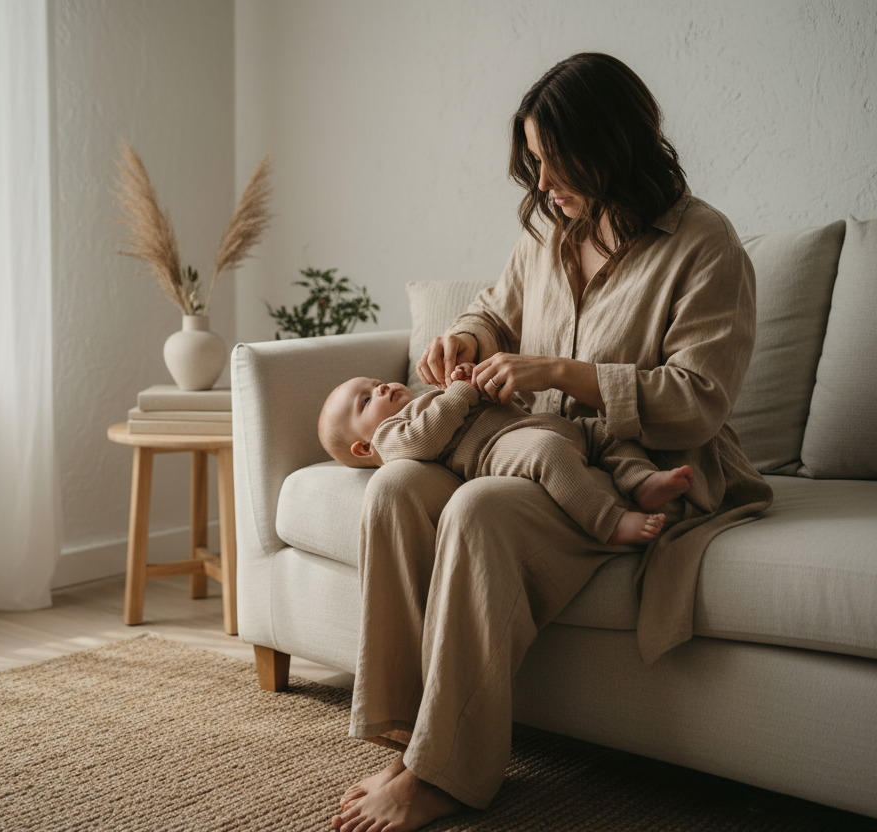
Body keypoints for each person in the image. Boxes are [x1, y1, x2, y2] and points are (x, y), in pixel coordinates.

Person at [331, 52, 773, 832]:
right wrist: (461, 340)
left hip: (627, 467)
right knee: (395, 487)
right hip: (531, 446)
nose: (542, 182)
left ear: (615, 143)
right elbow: (494, 312)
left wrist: (565, 372)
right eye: (533, 162)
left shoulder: (706, 246)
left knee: (478, 510)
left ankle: (446, 773)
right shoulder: (551, 232)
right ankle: (406, 737)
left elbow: (699, 404)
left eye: (555, 160)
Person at [318, 370, 696, 545]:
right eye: (367, 400)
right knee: (547, 453)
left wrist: (479, 387)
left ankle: (640, 480)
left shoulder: (429, 398)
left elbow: (498, 406)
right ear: (364, 448)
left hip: (541, 423)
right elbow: (424, 441)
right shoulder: (390, 437)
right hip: (498, 450)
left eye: (373, 382)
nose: (380, 386)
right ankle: (609, 522)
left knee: (610, 429)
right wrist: (460, 393)